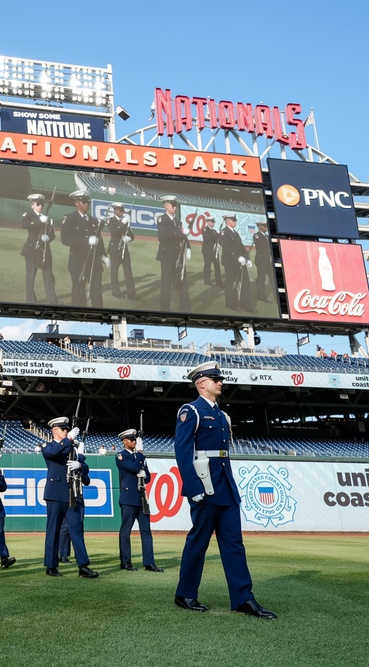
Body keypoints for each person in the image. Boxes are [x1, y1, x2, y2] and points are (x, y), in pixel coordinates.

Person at [173, 362, 276, 619]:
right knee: (198, 541)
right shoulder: (191, 411)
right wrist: (193, 486)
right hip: (205, 487)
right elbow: (182, 451)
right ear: (201, 383)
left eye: (220, 378)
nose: (220, 382)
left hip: (226, 488)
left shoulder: (222, 415)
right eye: (214, 378)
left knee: (234, 544)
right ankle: (185, 594)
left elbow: (223, 455)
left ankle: (243, 598)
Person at [40, 416, 98, 578]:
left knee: (76, 530)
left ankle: (83, 566)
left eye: (67, 429)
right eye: (63, 429)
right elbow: (54, 452)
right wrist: (70, 439)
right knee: (53, 530)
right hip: (55, 494)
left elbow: (84, 467)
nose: (66, 431)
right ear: (54, 431)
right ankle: (51, 566)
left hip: (72, 494)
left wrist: (80, 465)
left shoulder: (70, 448)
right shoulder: (48, 445)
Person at [115, 429, 162, 573]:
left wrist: (143, 473)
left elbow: (148, 477)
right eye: (131, 439)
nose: (134, 442)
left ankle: (149, 562)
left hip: (141, 498)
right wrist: (140, 456)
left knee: (146, 531)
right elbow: (134, 467)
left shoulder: (138, 456)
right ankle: (125, 561)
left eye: (135, 439)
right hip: (129, 498)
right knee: (125, 531)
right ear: (124, 441)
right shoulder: (121, 456)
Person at [61, 190, 108, 307]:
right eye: (83, 202)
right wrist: (86, 241)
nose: (86, 204)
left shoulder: (94, 221)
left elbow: (99, 240)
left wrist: (103, 256)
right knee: (79, 294)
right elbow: (65, 239)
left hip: (94, 263)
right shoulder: (70, 218)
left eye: (88, 202)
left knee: (97, 294)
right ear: (76, 203)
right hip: (78, 262)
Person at [20, 193, 58, 304]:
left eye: (42, 204)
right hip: (32, 250)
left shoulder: (48, 219)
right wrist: (39, 221)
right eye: (38, 204)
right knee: (31, 276)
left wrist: (48, 238)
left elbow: (52, 235)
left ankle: (52, 300)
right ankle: (31, 301)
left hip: (45, 250)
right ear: (32, 205)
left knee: (49, 276)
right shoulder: (28, 215)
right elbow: (24, 224)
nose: (40, 206)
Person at [155, 195, 191, 312]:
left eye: (175, 205)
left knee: (182, 282)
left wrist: (188, 247)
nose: (175, 207)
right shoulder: (162, 219)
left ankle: (185, 309)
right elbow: (164, 235)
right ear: (166, 206)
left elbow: (183, 237)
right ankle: (165, 310)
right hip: (167, 256)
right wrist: (180, 232)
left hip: (178, 256)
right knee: (166, 283)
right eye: (172, 205)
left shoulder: (178, 221)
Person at [219, 214, 254, 312]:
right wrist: (237, 257)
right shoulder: (224, 232)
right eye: (233, 220)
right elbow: (227, 247)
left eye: (235, 220)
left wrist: (248, 258)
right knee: (231, 283)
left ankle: (245, 304)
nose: (235, 222)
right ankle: (231, 303)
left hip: (240, 262)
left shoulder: (235, 233)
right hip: (230, 262)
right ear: (227, 221)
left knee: (245, 283)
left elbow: (241, 247)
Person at [106, 203, 136, 299]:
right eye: (120, 210)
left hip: (124, 249)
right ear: (115, 210)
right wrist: (123, 223)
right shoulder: (110, 220)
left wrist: (128, 238)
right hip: (115, 249)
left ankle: (131, 292)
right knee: (114, 271)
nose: (122, 212)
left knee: (128, 271)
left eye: (123, 210)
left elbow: (132, 236)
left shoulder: (126, 222)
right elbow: (114, 232)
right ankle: (115, 291)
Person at [252, 220, 273, 302]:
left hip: (268, 261)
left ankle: (276, 297)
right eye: (265, 226)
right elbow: (264, 246)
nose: (266, 228)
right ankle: (261, 296)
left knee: (272, 279)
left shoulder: (267, 236)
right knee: (261, 279)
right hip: (261, 261)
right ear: (260, 227)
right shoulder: (257, 235)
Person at [201, 221, 222, 287]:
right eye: (212, 222)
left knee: (217, 266)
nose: (213, 223)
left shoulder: (214, 231)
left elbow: (217, 239)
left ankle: (219, 281)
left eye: (214, 222)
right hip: (207, 251)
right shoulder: (205, 229)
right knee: (208, 265)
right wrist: (216, 234)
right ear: (208, 222)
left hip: (214, 251)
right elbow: (209, 238)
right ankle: (207, 280)